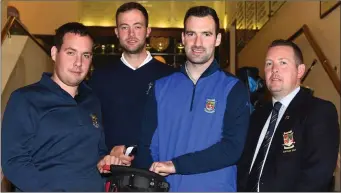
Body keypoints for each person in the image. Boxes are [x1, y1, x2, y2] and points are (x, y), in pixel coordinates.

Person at [134, 6, 250, 191]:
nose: (197, 42)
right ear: (183, 37)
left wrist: (175, 165)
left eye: (206, 34)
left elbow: (231, 149)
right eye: (191, 34)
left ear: (217, 39)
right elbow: (146, 146)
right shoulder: (160, 87)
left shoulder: (233, 88)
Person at [1, 22, 119, 191]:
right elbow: (13, 162)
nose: (78, 62)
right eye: (71, 53)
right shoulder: (25, 99)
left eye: (86, 55)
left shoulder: (92, 100)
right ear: (54, 53)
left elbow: (98, 152)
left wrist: (107, 160)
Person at [237, 39, 340, 192]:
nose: (274, 69)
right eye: (269, 64)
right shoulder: (257, 116)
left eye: (283, 63)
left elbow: (317, 175)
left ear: (300, 71)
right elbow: (245, 165)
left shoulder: (319, 112)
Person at [89, 2, 174, 166]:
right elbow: (91, 127)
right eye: (124, 27)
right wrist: (106, 152)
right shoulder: (100, 78)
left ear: (148, 31)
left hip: (159, 176)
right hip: (114, 174)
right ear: (116, 32)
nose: (131, 34)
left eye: (137, 27)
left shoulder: (170, 77)